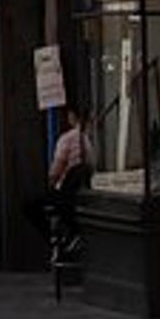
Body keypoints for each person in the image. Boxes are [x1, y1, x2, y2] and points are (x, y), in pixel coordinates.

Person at [21, 105, 92, 262]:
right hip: (86, 193)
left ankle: (54, 240)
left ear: (72, 116)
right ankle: (68, 237)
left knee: (30, 205)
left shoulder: (68, 138)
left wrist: (51, 183)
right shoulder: (91, 137)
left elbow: (56, 170)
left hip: (66, 193)